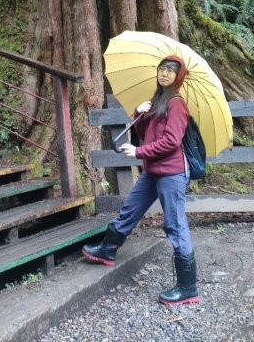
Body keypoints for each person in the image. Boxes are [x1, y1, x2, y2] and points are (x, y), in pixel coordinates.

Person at [82, 55, 199, 306]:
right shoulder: (157, 101)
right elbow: (145, 134)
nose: (164, 73)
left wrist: (138, 152)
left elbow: (170, 142)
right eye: (162, 69)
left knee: (174, 224)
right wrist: (139, 112)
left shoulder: (177, 104)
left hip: (172, 173)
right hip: (153, 170)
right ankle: (108, 249)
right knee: (130, 209)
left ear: (178, 77)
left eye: (170, 70)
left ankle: (188, 287)